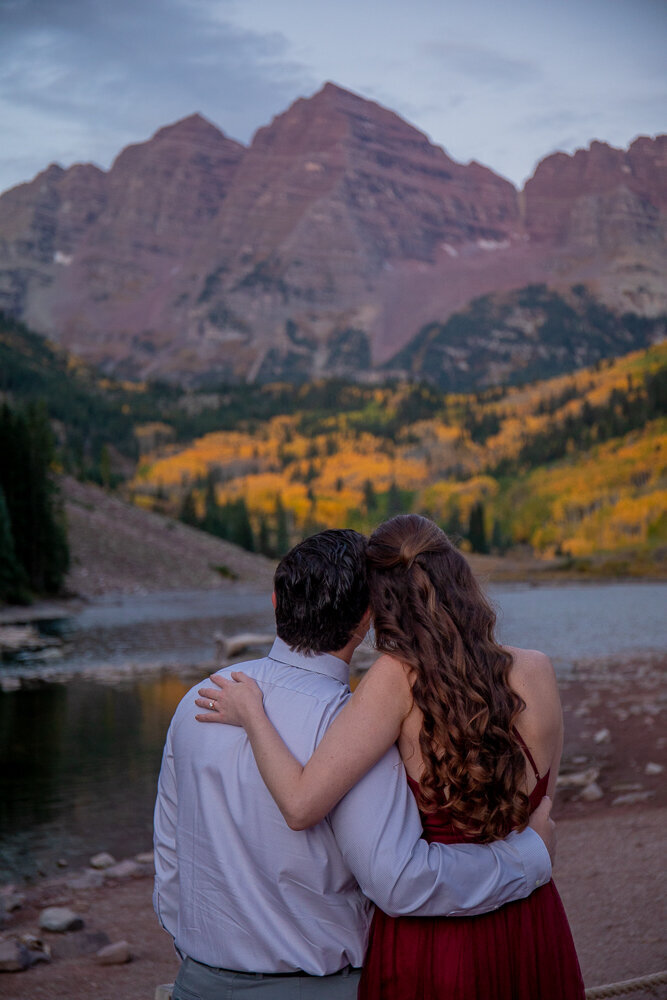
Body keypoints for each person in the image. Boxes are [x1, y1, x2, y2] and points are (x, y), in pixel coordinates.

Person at [155, 528, 554, 1000]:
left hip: (198, 983)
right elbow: (399, 881)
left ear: (276, 602)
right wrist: (525, 857)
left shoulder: (197, 701)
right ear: (367, 618)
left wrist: (198, 954)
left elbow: (170, 855)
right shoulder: (354, 723)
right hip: (324, 988)